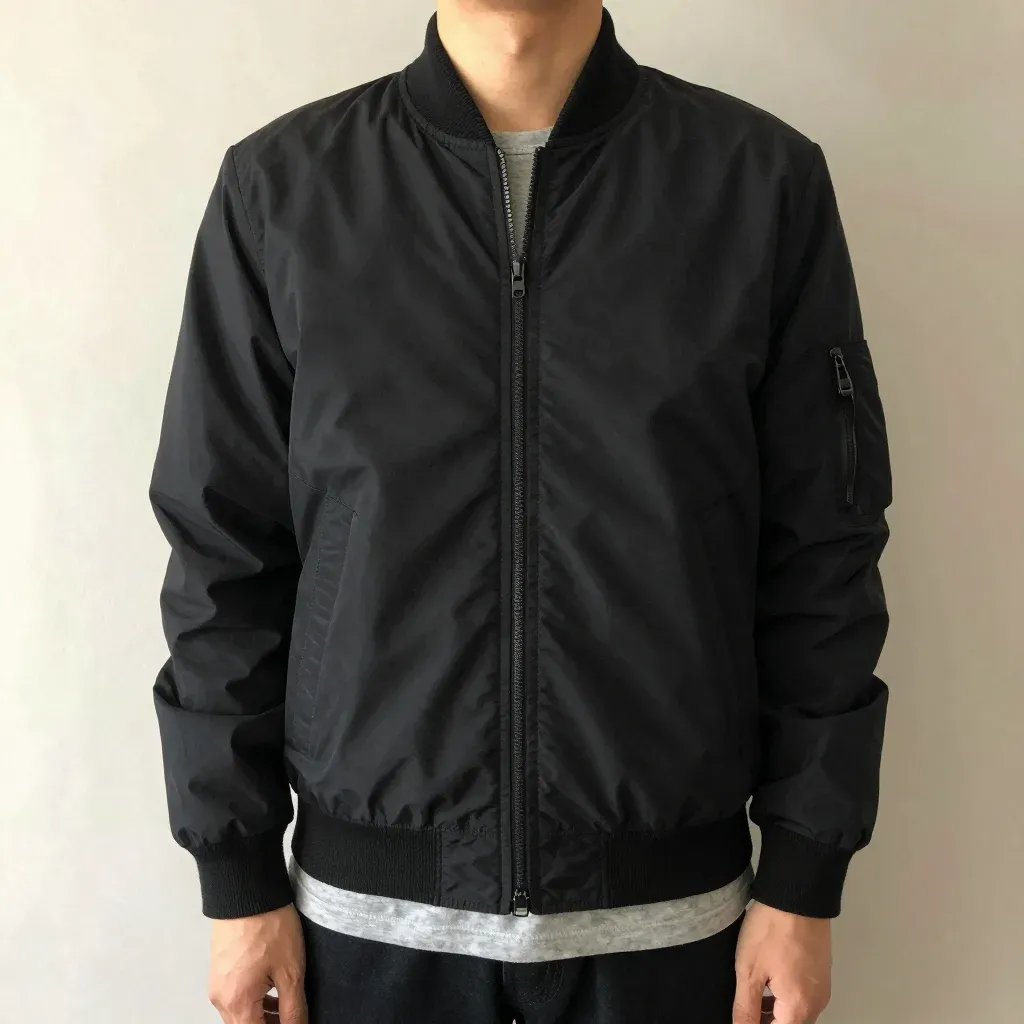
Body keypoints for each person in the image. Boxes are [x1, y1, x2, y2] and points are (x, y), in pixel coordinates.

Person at [149, 1, 893, 1021]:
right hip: (365, 932)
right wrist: (236, 878)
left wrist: (804, 875)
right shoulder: (282, 189)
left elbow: (823, 552)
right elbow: (223, 550)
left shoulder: (758, 183)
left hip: (673, 926)